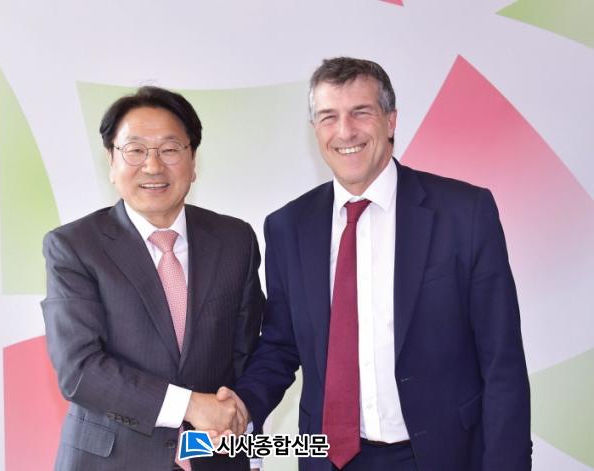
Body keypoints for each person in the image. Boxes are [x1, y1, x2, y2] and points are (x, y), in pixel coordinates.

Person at [224, 57, 532, 470]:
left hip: (442, 456)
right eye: (329, 117)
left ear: (390, 121)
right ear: (315, 129)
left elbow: (501, 360)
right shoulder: (287, 226)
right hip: (328, 459)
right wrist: (241, 406)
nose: (345, 131)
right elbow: (281, 344)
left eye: (361, 113)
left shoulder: (464, 213)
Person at [41, 86, 264, 470]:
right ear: (111, 161)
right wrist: (190, 405)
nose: (153, 166)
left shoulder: (235, 240)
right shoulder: (74, 247)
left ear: (193, 161)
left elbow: (246, 356)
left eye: (170, 149)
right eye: (135, 150)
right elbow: (80, 370)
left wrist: (244, 439)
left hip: (214, 459)